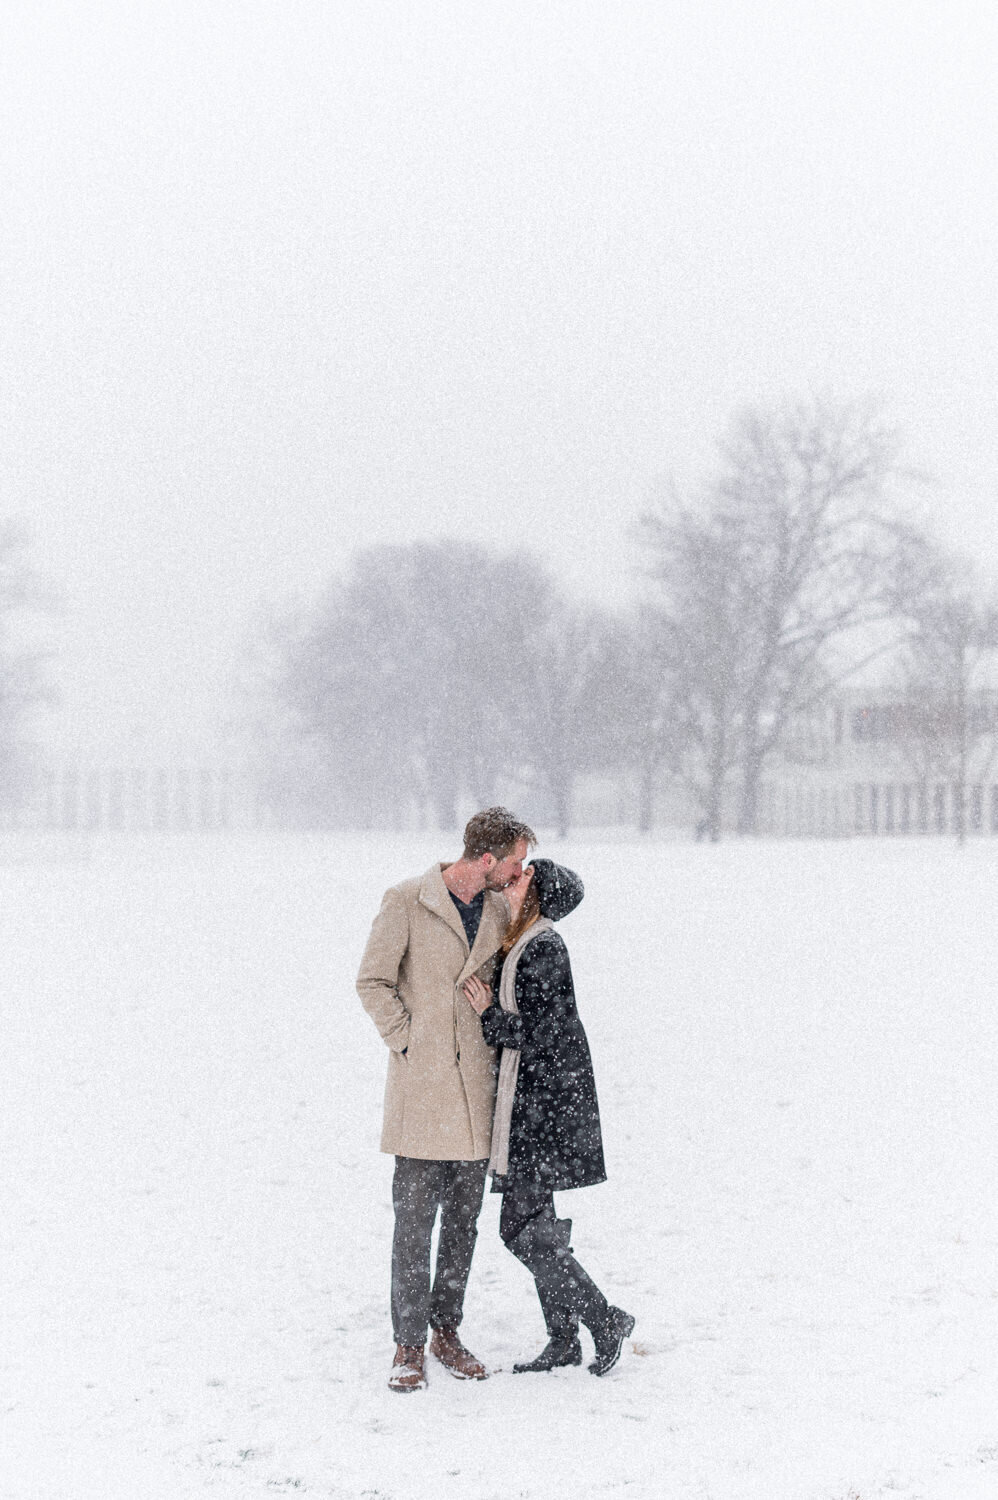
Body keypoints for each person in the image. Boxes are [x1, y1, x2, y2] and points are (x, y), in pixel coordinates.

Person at [357, 806, 536, 1392]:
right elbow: (372, 980)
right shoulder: (407, 900)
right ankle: (408, 1345)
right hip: (421, 1094)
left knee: (463, 1225)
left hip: (476, 1095)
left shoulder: (497, 909)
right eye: (514, 862)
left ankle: (447, 1332)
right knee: (413, 1226)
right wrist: (408, 1039)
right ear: (486, 859)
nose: (518, 873)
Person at [462, 857, 635, 1376]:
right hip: (540, 1105)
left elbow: (545, 1035)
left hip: (545, 1111)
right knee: (539, 1225)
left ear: (537, 894)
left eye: (523, 877)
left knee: (519, 1229)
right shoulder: (524, 942)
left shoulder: (545, 948)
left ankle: (604, 1319)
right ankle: (563, 1341)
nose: (514, 880)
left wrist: (489, 1014)